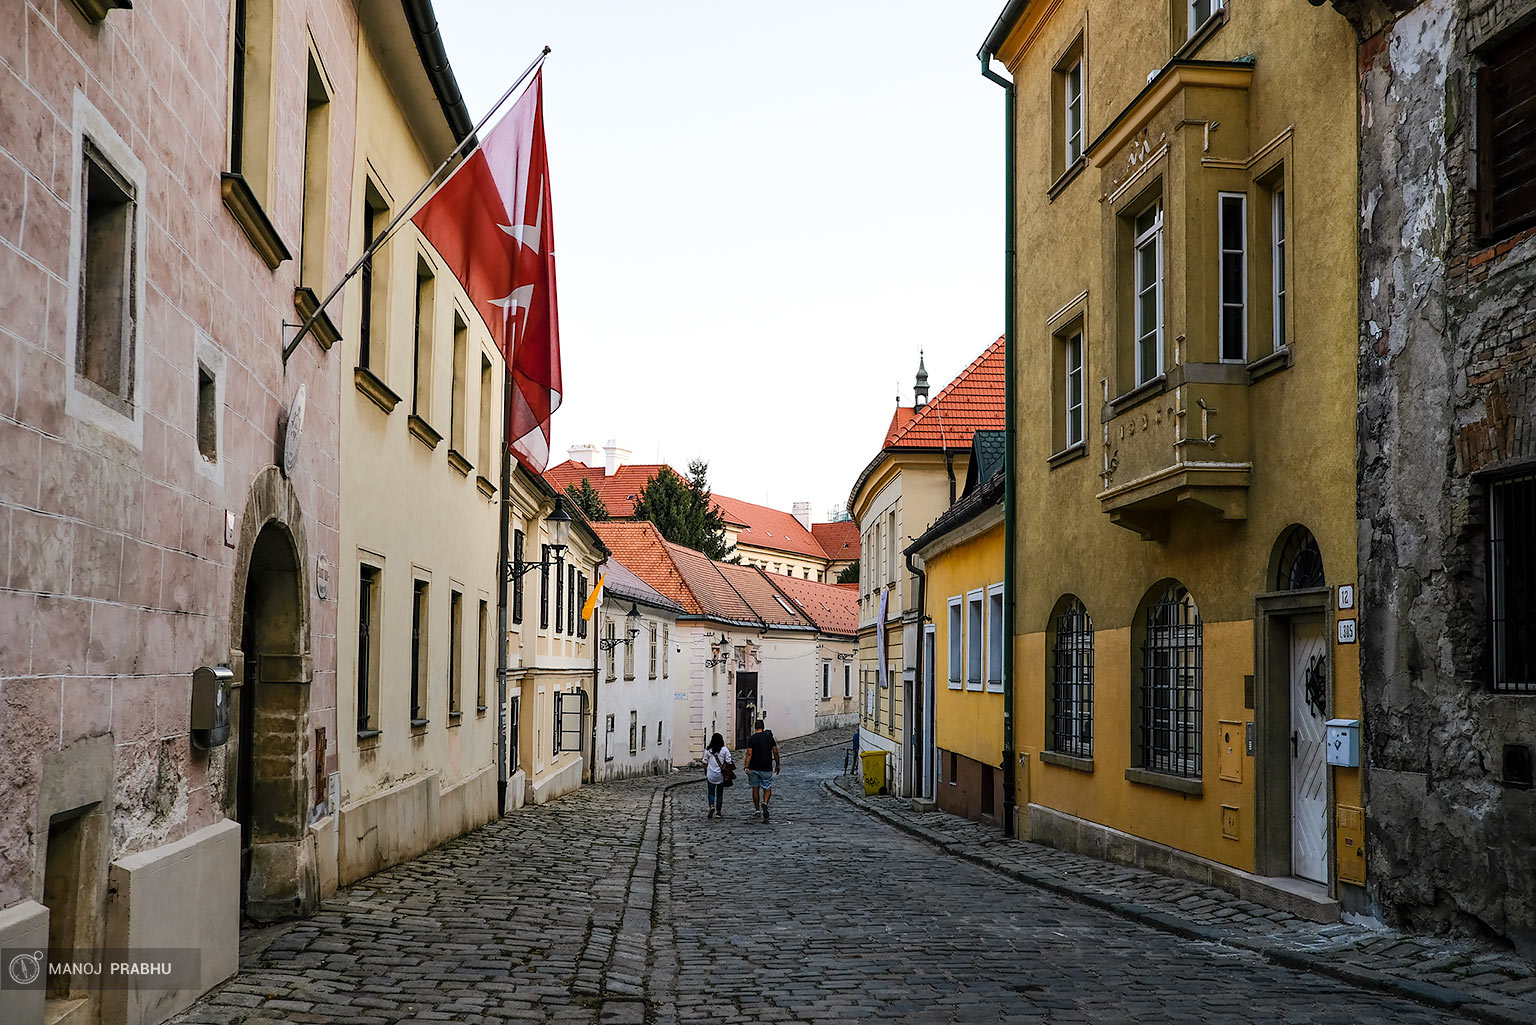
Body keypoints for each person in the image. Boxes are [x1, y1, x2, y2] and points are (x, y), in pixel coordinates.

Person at [743, 719, 781, 822]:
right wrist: (777, 764)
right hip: (766, 766)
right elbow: (775, 752)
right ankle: (765, 802)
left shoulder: (752, 738)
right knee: (767, 787)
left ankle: (757, 810)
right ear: (763, 727)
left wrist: (746, 765)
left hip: (754, 767)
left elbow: (749, 753)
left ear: (755, 727)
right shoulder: (769, 737)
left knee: (755, 788)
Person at [704, 732, 733, 819]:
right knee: (719, 793)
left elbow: (705, 762)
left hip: (711, 774)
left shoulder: (708, 750)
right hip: (720, 774)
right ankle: (718, 812)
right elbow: (729, 761)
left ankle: (711, 806)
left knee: (711, 792)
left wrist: (705, 771)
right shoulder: (724, 750)